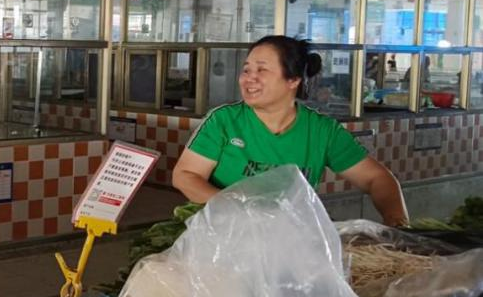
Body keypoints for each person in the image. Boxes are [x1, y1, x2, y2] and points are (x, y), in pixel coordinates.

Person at [172, 35, 409, 226]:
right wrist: (238, 210)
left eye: (262, 70)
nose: (248, 79)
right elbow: (185, 176)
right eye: (246, 70)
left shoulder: (322, 131)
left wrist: (398, 226)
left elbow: (377, 179)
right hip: (222, 236)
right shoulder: (224, 120)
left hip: (291, 241)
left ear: (293, 80)